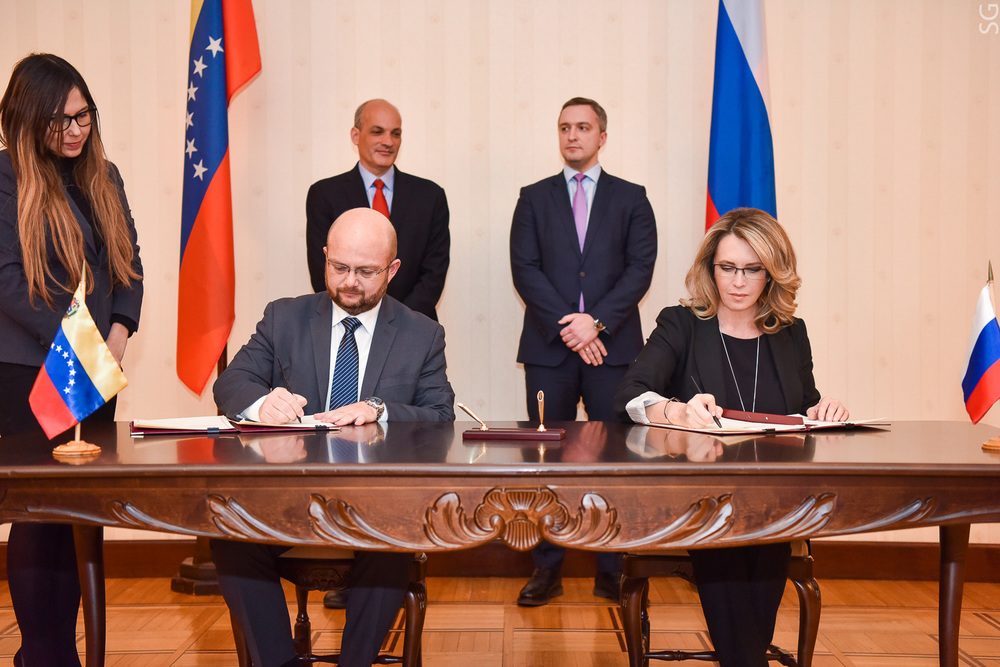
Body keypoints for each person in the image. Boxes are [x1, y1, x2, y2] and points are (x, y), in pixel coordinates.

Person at [211, 207, 455, 667]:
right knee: (229, 535)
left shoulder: (421, 333)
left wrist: (379, 409)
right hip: (286, 499)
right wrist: (262, 405)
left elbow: (440, 417)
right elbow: (231, 383)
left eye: (366, 272)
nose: (350, 282)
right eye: (339, 267)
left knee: (392, 538)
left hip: (375, 505)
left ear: (392, 270)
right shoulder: (284, 317)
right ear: (324, 256)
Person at [612, 207, 847, 667]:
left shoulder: (791, 333)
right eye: (727, 268)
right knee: (722, 528)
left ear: (772, 272)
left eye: (752, 269)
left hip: (775, 496)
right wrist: (677, 411)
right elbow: (629, 395)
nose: (738, 282)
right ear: (711, 268)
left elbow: (804, 408)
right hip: (703, 495)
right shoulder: (681, 324)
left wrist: (823, 412)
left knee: (769, 528)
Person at [0, 53, 143, 666]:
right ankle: (44, 654)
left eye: (84, 115)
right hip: (28, 372)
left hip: (96, 366)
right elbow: (8, 280)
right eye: (60, 119)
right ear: (27, 119)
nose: (76, 129)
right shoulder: (5, 177)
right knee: (41, 512)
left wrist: (119, 332)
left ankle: (70, 653)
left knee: (81, 511)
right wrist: (80, 342)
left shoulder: (103, 175)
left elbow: (129, 265)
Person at [509, 97, 657, 606]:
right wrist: (571, 328)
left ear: (602, 137)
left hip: (611, 351)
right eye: (564, 127)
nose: (572, 135)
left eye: (583, 127)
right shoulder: (533, 198)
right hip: (549, 349)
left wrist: (595, 324)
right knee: (547, 459)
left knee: (612, 457)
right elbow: (524, 268)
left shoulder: (632, 198)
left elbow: (640, 269)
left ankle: (611, 568)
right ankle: (546, 568)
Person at [305, 98, 450, 321]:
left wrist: (398, 321)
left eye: (395, 133)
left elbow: (434, 273)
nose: (388, 141)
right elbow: (322, 270)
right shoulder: (324, 194)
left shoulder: (431, 196)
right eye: (377, 132)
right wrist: (363, 320)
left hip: (414, 325)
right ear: (356, 136)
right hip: (348, 323)